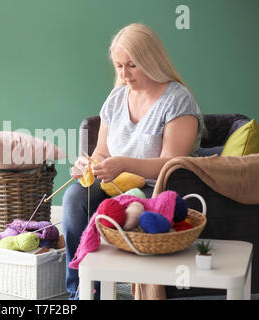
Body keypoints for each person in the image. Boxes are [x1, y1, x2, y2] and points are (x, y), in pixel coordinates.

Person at [62, 23, 204, 300]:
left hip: (158, 185)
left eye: (132, 65)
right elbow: (102, 152)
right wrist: (88, 165)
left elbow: (171, 163)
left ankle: (130, 288)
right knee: (74, 200)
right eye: (118, 66)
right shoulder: (116, 98)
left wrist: (124, 164)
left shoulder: (178, 101)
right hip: (115, 180)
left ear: (151, 61)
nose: (124, 74)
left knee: (133, 211)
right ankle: (82, 290)